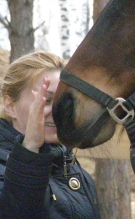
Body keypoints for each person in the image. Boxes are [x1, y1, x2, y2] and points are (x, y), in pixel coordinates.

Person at [0, 51, 101, 219]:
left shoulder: (69, 164)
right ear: (10, 105)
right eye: (46, 100)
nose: (57, 112)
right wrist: (30, 148)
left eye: (63, 102)